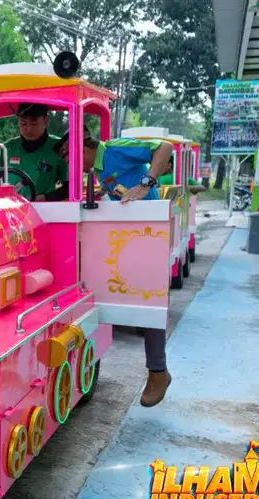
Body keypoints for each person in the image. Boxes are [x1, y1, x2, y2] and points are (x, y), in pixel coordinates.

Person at [55, 128, 175, 407]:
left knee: (150, 299)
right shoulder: (97, 169)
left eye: (71, 156)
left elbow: (165, 148)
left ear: (83, 148)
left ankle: (158, 371)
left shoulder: (115, 149)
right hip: (124, 233)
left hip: (148, 231)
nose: (72, 163)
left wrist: (146, 183)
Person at [4, 103, 68, 202]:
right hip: (12, 209)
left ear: (46, 120)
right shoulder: (8, 148)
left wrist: (45, 198)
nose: (28, 130)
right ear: (18, 123)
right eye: (23, 124)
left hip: (45, 211)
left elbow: (70, 187)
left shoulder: (59, 147)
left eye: (34, 124)